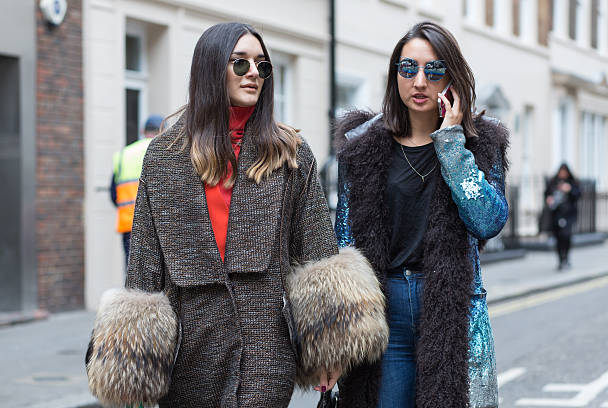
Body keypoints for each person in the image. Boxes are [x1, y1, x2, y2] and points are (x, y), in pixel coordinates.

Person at [86, 22, 387, 408]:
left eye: (262, 66)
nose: (253, 75)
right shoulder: (164, 157)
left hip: (266, 346)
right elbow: (145, 265)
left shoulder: (289, 153)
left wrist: (331, 351)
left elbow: (318, 254)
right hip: (188, 353)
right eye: (240, 64)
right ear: (212, 68)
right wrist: (137, 367)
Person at [333, 21, 509, 407]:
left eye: (434, 70)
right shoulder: (361, 147)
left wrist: (451, 146)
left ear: (453, 77)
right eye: (408, 68)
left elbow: (489, 221)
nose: (419, 82)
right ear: (395, 73)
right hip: (385, 309)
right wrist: (338, 332)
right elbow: (344, 242)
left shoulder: (480, 144)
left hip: (450, 304)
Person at [110, 114, 164, 264]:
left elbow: (114, 194)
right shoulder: (163, 151)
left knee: (132, 273)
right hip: (156, 225)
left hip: (129, 223)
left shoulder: (123, 154)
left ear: (142, 131)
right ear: (163, 131)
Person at [544, 163, 581, 270]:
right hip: (556, 215)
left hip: (568, 215)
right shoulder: (553, 182)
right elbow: (547, 194)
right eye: (561, 171)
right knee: (558, 237)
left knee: (566, 236)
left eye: (565, 172)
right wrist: (549, 199)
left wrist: (569, 190)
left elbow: (577, 195)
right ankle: (560, 260)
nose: (563, 174)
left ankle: (566, 258)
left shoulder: (572, 183)